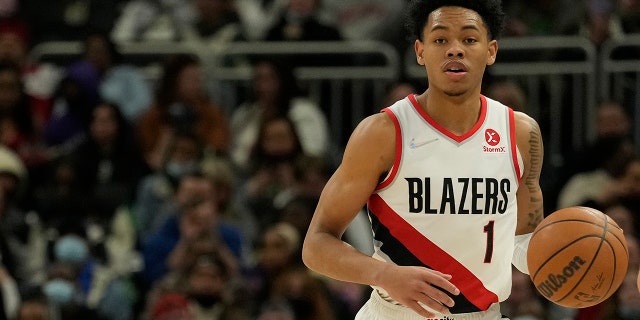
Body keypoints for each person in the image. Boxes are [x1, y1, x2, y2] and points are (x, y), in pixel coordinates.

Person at [302, 1, 545, 319]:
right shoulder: (383, 133)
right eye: (440, 39)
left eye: (469, 39)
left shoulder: (521, 133)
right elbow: (316, 245)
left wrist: (569, 255)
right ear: (420, 51)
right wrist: (383, 274)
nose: (455, 50)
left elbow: (523, 244)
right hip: (395, 313)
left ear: (491, 51)